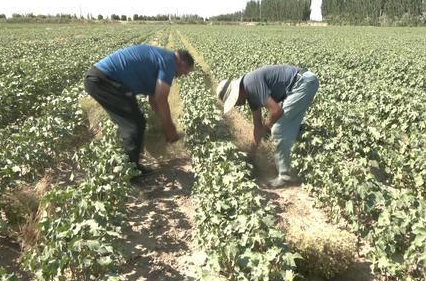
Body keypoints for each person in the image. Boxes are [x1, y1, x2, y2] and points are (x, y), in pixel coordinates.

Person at [84, 44, 194, 176]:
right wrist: (169, 128)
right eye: (185, 73)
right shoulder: (169, 62)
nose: (181, 76)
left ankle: (130, 165)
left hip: (101, 80)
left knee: (135, 121)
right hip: (104, 81)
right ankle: (129, 173)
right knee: (134, 124)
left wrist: (160, 123)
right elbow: (161, 99)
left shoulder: (162, 58)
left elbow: (153, 100)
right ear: (182, 63)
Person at [216, 65, 319, 188]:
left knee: (278, 129)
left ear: (237, 92)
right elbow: (257, 127)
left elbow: (276, 111)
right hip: (301, 83)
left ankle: (285, 177)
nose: (237, 104)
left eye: (235, 101)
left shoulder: (251, 85)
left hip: (303, 83)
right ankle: (298, 160)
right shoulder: (250, 95)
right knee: (287, 125)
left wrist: (267, 127)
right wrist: (252, 153)